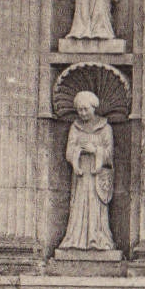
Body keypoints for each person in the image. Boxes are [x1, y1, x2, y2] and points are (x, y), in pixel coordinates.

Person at [59, 91, 116, 253]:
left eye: (86, 109)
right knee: (79, 205)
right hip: (81, 174)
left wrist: (95, 150)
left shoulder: (105, 128)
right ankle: (76, 240)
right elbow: (69, 151)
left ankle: (98, 239)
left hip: (97, 175)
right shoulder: (75, 128)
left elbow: (109, 153)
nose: (82, 113)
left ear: (94, 107)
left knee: (96, 206)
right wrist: (77, 152)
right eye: (79, 110)